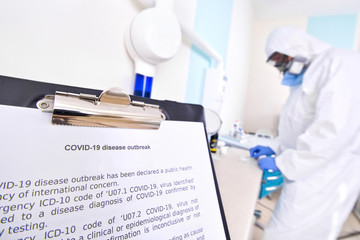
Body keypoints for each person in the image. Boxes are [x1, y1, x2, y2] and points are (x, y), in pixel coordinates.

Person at [250, 26, 360, 240]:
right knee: (280, 231)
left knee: (287, 234)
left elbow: (332, 133)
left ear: (294, 47)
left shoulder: (340, 63)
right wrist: (275, 147)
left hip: (326, 177)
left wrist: (282, 163)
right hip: (307, 172)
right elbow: (298, 129)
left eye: (281, 58)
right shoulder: (306, 78)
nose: (281, 66)